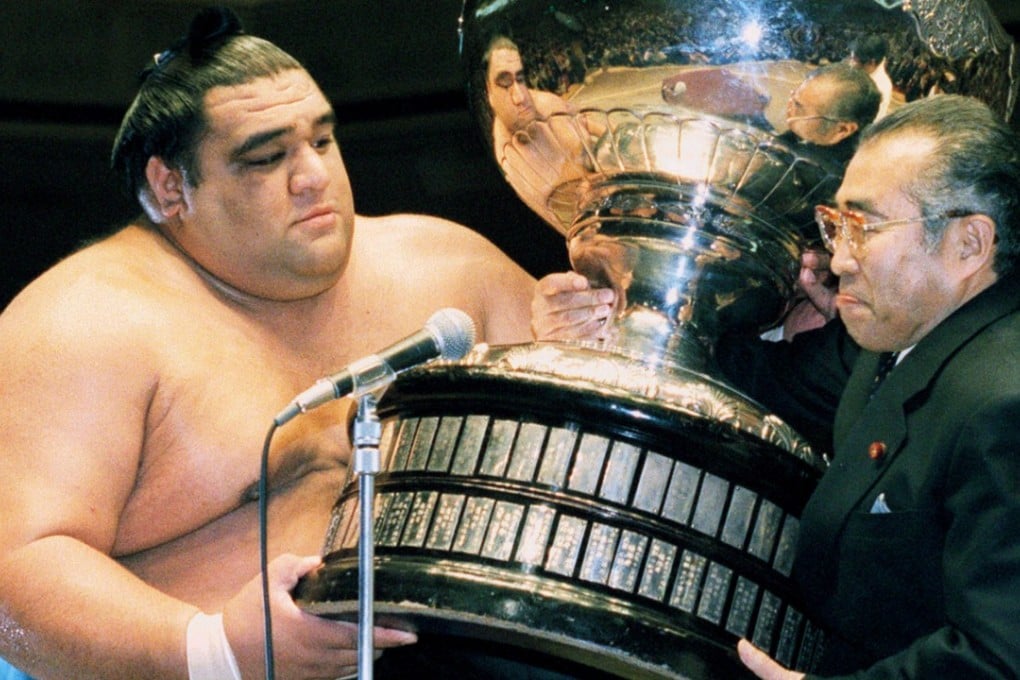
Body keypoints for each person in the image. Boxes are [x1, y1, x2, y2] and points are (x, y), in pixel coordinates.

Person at [0, 8, 536, 680]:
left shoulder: (447, 268)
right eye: (266, 157)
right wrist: (216, 651)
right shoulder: (84, 325)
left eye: (322, 140)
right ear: (171, 187)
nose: (312, 176)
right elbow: (14, 570)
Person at [532, 93, 1020, 677]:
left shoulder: (1004, 402)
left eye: (864, 227)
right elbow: (751, 377)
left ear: (968, 243)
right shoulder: (896, 345)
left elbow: (1001, 657)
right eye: (836, 226)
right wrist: (613, 315)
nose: (839, 259)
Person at [483, 36, 597, 227]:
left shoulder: (546, 103)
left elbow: (586, 122)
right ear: (489, 92)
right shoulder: (511, 163)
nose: (520, 97)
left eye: (520, 78)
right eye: (504, 84)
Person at [778, 62, 881, 171]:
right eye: (793, 96)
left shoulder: (820, 175)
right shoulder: (812, 135)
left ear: (842, 130)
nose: (789, 108)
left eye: (798, 106)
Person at [848, 35, 894, 120]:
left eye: (854, 60)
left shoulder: (880, 88)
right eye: (851, 58)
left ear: (871, 62)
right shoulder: (862, 71)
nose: (851, 63)